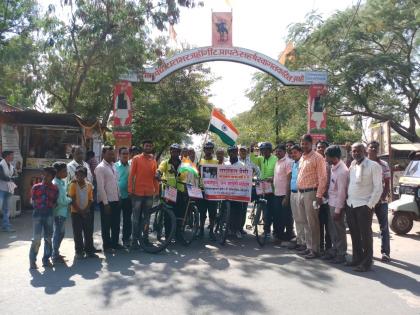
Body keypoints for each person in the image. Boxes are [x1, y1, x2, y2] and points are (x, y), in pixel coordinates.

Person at [346, 143, 383, 272]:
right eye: (354, 151)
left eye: (359, 151)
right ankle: (357, 258)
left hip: (364, 206)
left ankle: (366, 262)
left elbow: (378, 188)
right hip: (351, 204)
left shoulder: (374, 166)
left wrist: (369, 205)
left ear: (364, 151)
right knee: (354, 234)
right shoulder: (352, 165)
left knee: (365, 235)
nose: (356, 153)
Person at [297, 134, 327, 259]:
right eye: (302, 144)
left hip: (312, 194)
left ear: (312, 144)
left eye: (306, 144)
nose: (304, 146)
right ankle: (309, 247)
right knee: (304, 221)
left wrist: (319, 195)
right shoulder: (302, 157)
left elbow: (323, 178)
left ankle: (315, 250)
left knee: (313, 223)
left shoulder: (318, 157)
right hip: (301, 192)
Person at [128, 140, 159, 249]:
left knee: (147, 218)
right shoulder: (136, 159)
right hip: (137, 193)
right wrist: (130, 189)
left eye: (150, 146)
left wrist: (157, 190)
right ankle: (134, 241)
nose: (148, 147)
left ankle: (145, 239)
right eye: (146, 145)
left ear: (151, 147)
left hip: (149, 193)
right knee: (136, 218)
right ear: (143, 146)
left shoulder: (153, 160)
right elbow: (131, 175)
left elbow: (155, 177)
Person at [29, 167, 58, 269]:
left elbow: (55, 202)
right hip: (37, 214)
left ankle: (46, 259)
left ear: (52, 177)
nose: (45, 177)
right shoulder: (35, 187)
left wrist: (50, 207)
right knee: (36, 238)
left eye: (48, 175)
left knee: (48, 238)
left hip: (49, 214)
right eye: (44, 174)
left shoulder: (55, 188)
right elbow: (32, 201)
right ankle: (32, 261)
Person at [95, 146, 122, 253]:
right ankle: (107, 246)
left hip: (116, 199)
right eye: (109, 154)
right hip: (106, 201)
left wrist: (119, 197)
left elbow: (116, 183)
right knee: (106, 225)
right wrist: (106, 204)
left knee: (116, 223)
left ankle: (115, 243)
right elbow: (101, 187)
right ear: (103, 154)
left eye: (113, 154)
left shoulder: (114, 166)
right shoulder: (100, 168)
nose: (112, 156)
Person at [367, 141, 391, 262]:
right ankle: (368, 252)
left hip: (381, 201)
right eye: (371, 147)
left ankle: (385, 253)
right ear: (367, 149)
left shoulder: (384, 164)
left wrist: (382, 197)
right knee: (367, 227)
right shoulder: (364, 164)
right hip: (367, 200)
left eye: (376, 147)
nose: (374, 149)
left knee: (384, 227)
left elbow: (387, 183)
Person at [324, 145, 349, 264]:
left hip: (337, 205)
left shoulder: (342, 171)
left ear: (333, 157)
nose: (325, 159)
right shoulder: (334, 167)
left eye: (327, 156)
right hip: (331, 203)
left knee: (339, 230)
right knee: (332, 229)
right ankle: (335, 250)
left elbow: (342, 193)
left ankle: (341, 254)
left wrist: (338, 211)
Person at [157, 143, 187, 239]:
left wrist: (177, 173)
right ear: (170, 151)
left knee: (180, 214)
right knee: (168, 215)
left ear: (179, 153)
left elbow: (184, 176)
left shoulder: (183, 164)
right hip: (169, 191)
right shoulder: (165, 162)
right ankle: (168, 235)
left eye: (176, 151)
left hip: (180, 192)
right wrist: (158, 174)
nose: (174, 152)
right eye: (172, 150)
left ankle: (178, 234)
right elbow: (160, 169)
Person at [68, 166, 98, 259]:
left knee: (88, 232)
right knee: (77, 233)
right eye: (77, 175)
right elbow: (72, 199)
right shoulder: (73, 185)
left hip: (86, 212)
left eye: (81, 175)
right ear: (75, 176)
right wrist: (80, 211)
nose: (79, 177)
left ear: (85, 176)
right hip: (76, 212)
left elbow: (90, 199)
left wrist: (85, 210)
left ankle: (89, 250)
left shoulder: (89, 185)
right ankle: (79, 251)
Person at [250, 142, 278, 240]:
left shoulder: (275, 159)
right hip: (260, 184)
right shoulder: (260, 159)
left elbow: (278, 171)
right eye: (262, 150)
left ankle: (267, 230)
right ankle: (251, 213)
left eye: (266, 150)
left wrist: (273, 178)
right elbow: (252, 159)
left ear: (270, 151)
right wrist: (251, 149)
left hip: (271, 186)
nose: (264, 152)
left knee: (268, 211)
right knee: (249, 195)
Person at [273, 144, 294, 243]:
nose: (277, 153)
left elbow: (289, 179)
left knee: (286, 216)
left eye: (279, 151)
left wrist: (287, 196)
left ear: (284, 152)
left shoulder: (288, 162)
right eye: (276, 151)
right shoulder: (277, 162)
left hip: (285, 194)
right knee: (278, 216)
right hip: (276, 193)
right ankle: (279, 236)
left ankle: (289, 236)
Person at [51, 162, 72, 264]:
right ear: (58, 172)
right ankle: (54, 254)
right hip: (59, 212)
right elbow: (61, 200)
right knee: (58, 233)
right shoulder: (56, 183)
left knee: (60, 233)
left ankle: (55, 252)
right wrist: (70, 199)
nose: (66, 173)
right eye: (64, 171)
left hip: (62, 212)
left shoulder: (61, 182)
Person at [288, 145, 307, 251]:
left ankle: (304, 243)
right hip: (293, 193)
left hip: (300, 193)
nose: (293, 154)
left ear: (300, 152)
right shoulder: (294, 163)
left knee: (302, 219)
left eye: (295, 152)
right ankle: (299, 241)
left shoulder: (302, 163)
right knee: (296, 218)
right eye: (292, 153)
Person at [238, 145, 260, 235]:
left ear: (247, 152)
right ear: (239, 152)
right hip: (235, 188)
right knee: (236, 208)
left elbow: (258, 171)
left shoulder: (250, 161)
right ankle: (233, 227)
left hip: (247, 188)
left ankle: (240, 228)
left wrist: (256, 178)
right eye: (241, 151)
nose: (243, 152)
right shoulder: (236, 160)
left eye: (244, 151)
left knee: (243, 209)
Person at [224, 145, 245, 238]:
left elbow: (245, 179)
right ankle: (227, 228)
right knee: (225, 210)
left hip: (237, 193)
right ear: (228, 153)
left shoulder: (242, 165)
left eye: (234, 152)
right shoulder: (225, 164)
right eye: (230, 152)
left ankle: (237, 230)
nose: (232, 153)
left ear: (237, 153)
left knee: (238, 212)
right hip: (226, 192)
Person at [198, 142, 219, 239]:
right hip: (202, 190)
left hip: (213, 191)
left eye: (210, 149)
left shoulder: (217, 162)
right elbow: (196, 175)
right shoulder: (200, 161)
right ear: (204, 150)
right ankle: (201, 230)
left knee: (212, 213)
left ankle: (211, 231)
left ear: (212, 150)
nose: (208, 150)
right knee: (202, 212)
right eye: (207, 149)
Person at [316, 140, 332, 254]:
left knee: (328, 225)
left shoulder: (330, 163)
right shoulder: (315, 162)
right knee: (319, 223)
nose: (320, 149)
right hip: (317, 197)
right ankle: (320, 246)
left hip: (328, 198)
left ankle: (329, 247)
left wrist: (323, 193)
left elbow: (328, 181)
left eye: (323, 147)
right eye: (318, 147)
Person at [115, 147, 132, 248]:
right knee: (116, 220)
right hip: (117, 197)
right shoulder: (115, 166)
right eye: (123, 154)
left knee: (127, 220)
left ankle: (126, 239)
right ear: (119, 155)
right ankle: (115, 241)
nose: (125, 155)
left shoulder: (132, 165)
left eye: (127, 153)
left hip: (128, 197)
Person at [0, 151, 17, 232]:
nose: (13, 157)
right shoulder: (1, 164)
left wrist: (11, 178)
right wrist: (11, 178)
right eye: (11, 155)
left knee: (6, 209)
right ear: (7, 156)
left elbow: (16, 175)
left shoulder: (11, 166)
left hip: (8, 189)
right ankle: (5, 226)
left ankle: (6, 226)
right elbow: (2, 176)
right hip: (1, 189)